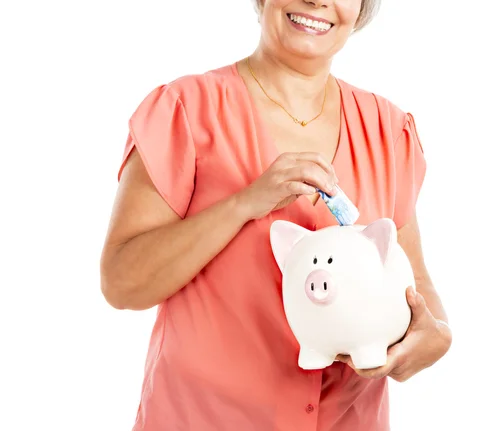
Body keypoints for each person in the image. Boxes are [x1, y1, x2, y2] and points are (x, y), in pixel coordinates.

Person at [100, 0, 452, 429]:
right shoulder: (185, 110)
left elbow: (416, 283)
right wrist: (244, 203)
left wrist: (433, 338)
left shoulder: (387, 131)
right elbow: (121, 282)